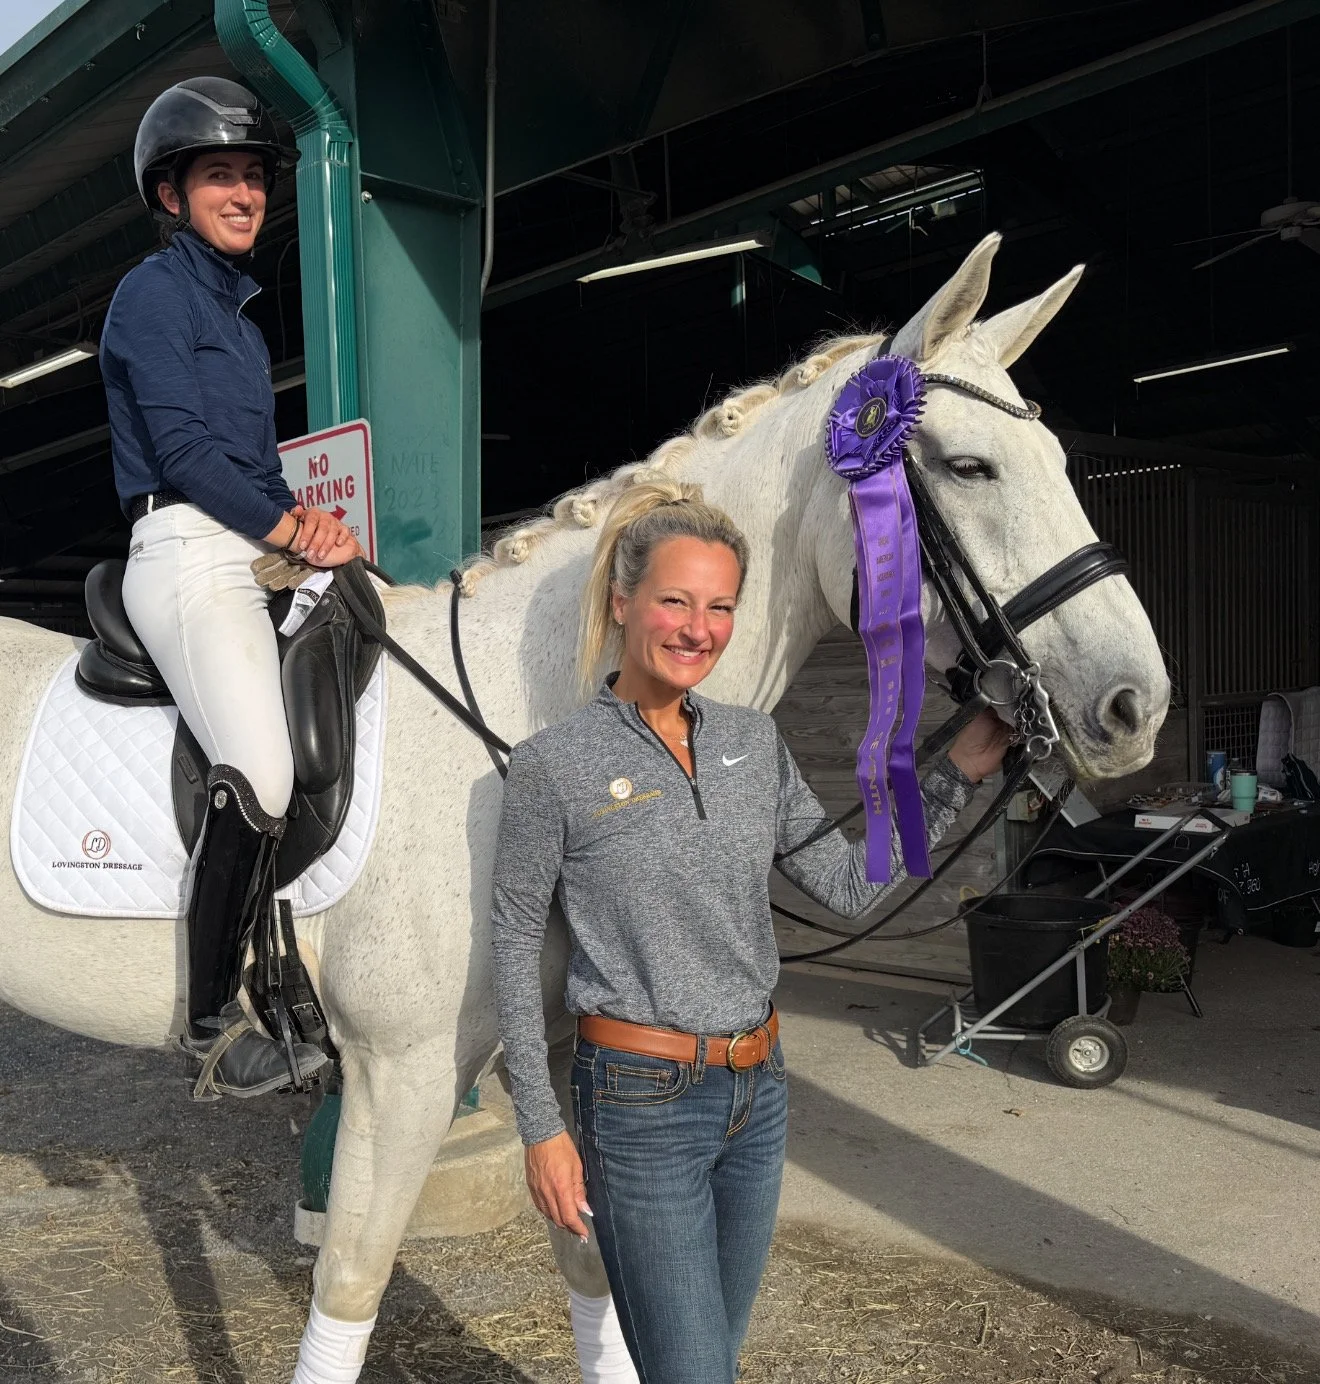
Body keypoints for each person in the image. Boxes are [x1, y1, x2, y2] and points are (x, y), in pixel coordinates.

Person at [490, 479, 1011, 1383]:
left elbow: (848, 885)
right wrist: (541, 1127)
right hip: (637, 1105)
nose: (699, 628)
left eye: (720, 606)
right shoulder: (552, 768)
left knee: (711, 1363)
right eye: (676, 601)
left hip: (757, 1094)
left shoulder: (753, 742)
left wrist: (959, 766)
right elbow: (510, 943)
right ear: (622, 605)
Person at [99, 76, 359, 1099]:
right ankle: (208, 1025)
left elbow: (259, 473)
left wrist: (316, 524)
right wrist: (288, 521)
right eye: (221, 176)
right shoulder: (151, 296)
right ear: (172, 196)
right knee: (259, 762)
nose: (244, 193)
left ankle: (302, 969)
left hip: (245, 543)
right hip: (183, 550)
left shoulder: (244, 328)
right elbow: (186, 450)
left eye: (252, 176)